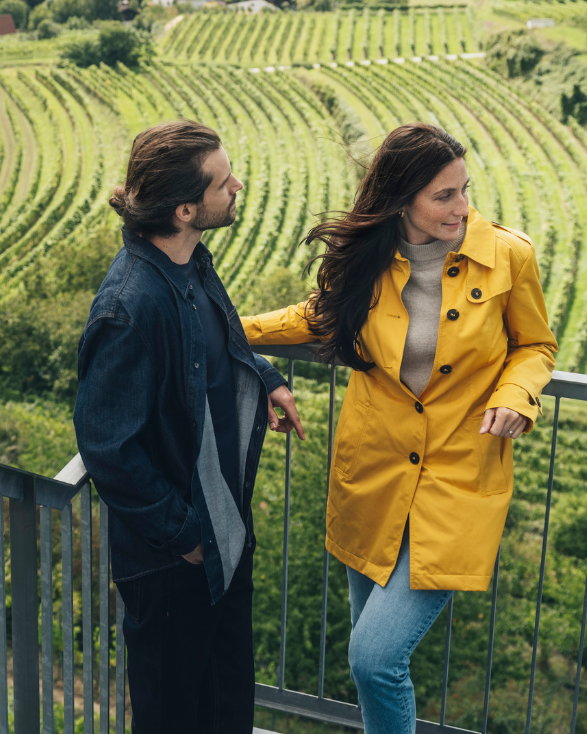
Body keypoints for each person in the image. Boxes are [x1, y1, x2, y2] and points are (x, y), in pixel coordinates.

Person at [242, 123, 556, 734]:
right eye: (444, 196)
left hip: (459, 482)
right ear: (402, 198)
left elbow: (537, 345)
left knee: (375, 656)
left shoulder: (508, 256)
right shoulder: (370, 257)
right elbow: (318, 316)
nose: (462, 207)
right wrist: (232, 329)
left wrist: (518, 393)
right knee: (372, 666)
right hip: (373, 475)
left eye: (465, 190)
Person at [75, 120, 304, 733]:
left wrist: (263, 373)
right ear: (184, 208)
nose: (238, 185)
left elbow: (214, 344)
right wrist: (185, 537)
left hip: (221, 533)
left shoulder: (190, 266)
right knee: (175, 714)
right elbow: (106, 446)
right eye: (223, 180)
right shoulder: (130, 305)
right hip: (176, 559)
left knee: (225, 704)